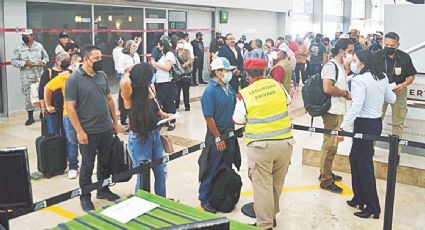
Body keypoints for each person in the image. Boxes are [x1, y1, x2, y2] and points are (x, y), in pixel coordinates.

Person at [233, 58, 294, 230]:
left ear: (246, 74)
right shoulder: (277, 85)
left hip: (261, 147)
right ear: (264, 70)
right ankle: (272, 217)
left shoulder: (244, 94)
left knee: (262, 187)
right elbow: (288, 101)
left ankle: (265, 225)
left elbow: (238, 120)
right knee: (276, 184)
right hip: (285, 144)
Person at [336, 50, 396, 219]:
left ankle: (372, 207)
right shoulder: (382, 76)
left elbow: (357, 106)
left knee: (364, 165)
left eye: (354, 60)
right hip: (375, 123)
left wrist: (343, 127)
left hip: (364, 124)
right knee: (354, 157)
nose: (352, 63)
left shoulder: (359, 80)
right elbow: (391, 99)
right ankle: (359, 197)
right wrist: (388, 88)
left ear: (362, 63)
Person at [65, 45, 120, 212]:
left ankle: (102, 189)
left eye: (100, 58)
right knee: (88, 165)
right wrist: (80, 131)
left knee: (105, 162)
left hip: (105, 129)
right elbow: (71, 108)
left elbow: (109, 99)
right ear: (86, 59)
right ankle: (85, 196)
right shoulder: (74, 79)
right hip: (88, 132)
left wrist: (114, 122)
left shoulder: (101, 75)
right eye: (96, 59)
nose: (99, 61)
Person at [120, 63, 170, 196]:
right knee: (143, 176)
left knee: (161, 172)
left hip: (155, 135)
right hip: (139, 139)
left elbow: (157, 109)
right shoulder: (129, 94)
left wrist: (165, 115)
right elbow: (124, 82)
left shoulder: (150, 88)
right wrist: (128, 71)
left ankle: (162, 201)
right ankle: (142, 204)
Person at [198, 57, 240, 213]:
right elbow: (209, 117)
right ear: (218, 72)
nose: (230, 73)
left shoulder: (228, 88)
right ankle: (204, 198)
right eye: (227, 70)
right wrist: (217, 138)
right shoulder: (210, 91)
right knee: (211, 167)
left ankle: (222, 193)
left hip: (229, 134)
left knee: (226, 166)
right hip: (217, 135)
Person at [319, 38, 354, 193]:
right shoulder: (330, 66)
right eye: (350, 51)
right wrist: (345, 93)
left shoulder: (340, 66)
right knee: (329, 145)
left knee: (333, 146)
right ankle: (325, 179)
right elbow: (327, 88)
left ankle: (327, 172)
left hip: (339, 110)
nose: (352, 55)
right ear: (342, 51)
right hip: (332, 111)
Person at [44, 53, 83, 179]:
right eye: (76, 62)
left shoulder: (87, 76)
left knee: (87, 139)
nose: (79, 64)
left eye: (80, 61)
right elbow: (47, 88)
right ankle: (73, 166)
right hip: (69, 114)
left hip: (85, 113)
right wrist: (47, 105)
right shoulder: (64, 77)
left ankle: (88, 163)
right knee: (71, 141)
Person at [373, 32, 417, 139]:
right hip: (380, 91)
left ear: (398, 44)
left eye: (392, 46)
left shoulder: (404, 57)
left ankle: (395, 152)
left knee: (398, 122)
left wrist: (403, 85)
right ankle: (370, 147)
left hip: (399, 90)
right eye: (386, 45)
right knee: (375, 119)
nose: (388, 47)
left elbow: (411, 75)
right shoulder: (376, 55)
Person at [11, 29, 49, 126]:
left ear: (32, 36)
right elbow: (13, 61)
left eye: (26, 36)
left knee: (41, 94)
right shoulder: (18, 48)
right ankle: (30, 117)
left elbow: (46, 57)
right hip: (26, 76)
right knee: (28, 96)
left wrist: (43, 62)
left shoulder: (39, 46)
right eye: (23, 36)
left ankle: (42, 113)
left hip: (39, 75)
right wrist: (24, 63)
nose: (25, 37)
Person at [38, 52, 70, 135]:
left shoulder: (69, 73)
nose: (67, 62)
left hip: (65, 108)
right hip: (52, 109)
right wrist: (44, 108)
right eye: (64, 60)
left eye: (68, 60)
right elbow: (41, 91)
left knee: (66, 133)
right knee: (52, 132)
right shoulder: (48, 72)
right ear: (57, 60)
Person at [150, 37, 177, 130]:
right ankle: (166, 120)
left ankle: (172, 122)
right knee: (162, 102)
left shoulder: (169, 54)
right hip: (160, 81)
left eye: (159, 45)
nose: (158, 47)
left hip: (167, 82)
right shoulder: (163, 55)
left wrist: (155, 63)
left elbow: (167, 67)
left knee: (169, 102)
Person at [118, 39, 142, 128]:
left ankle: (134, 119)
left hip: (135, 81)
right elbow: (119, 69)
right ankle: (123, 120)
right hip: (125, 80)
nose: (135, 48)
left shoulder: (136, 55)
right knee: (124, 100)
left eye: (136, 46)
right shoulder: (122, 56)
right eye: (133, 46)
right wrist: (127, 68)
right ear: (128, 47)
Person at [175, 38, 193, 111]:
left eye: (181, 42)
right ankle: (176, 104)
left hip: (186, 74)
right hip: (177, 75)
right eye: (179, 42)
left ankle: (187, 105)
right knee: (177, 91)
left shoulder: (187, 51)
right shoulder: (175, 52)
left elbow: (190, 60)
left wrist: (182, 66)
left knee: (186, 91)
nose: (180, 43)